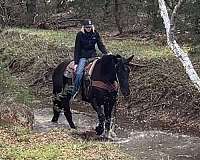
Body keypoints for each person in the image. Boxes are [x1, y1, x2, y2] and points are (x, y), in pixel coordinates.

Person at [71, 19, 108, 99]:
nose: (88, 28)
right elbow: (77, 49)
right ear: (84, 27)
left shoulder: (95, 34)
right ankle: (76, 90)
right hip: (83, 57)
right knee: (79, 73)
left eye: (90, 27)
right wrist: (76, 63)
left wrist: (106, 53)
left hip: (93, 56)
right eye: (87, 27)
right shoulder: (80, 35)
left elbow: (100, 45)